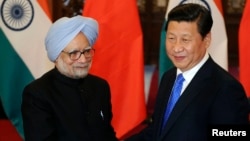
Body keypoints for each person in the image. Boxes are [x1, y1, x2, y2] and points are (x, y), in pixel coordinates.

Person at [126, 3, 250, 141]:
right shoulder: (169, 77)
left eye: (185, 39)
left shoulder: (226, 88)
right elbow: (157, 132)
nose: (177, 47)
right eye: (171, 38)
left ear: (206, 40)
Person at [21, 15, 118, 141]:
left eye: (87, 51)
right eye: (74, 53)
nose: (83, 59)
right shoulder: (37, 94)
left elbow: (107, 136)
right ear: (57, 56)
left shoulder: (100, 87)